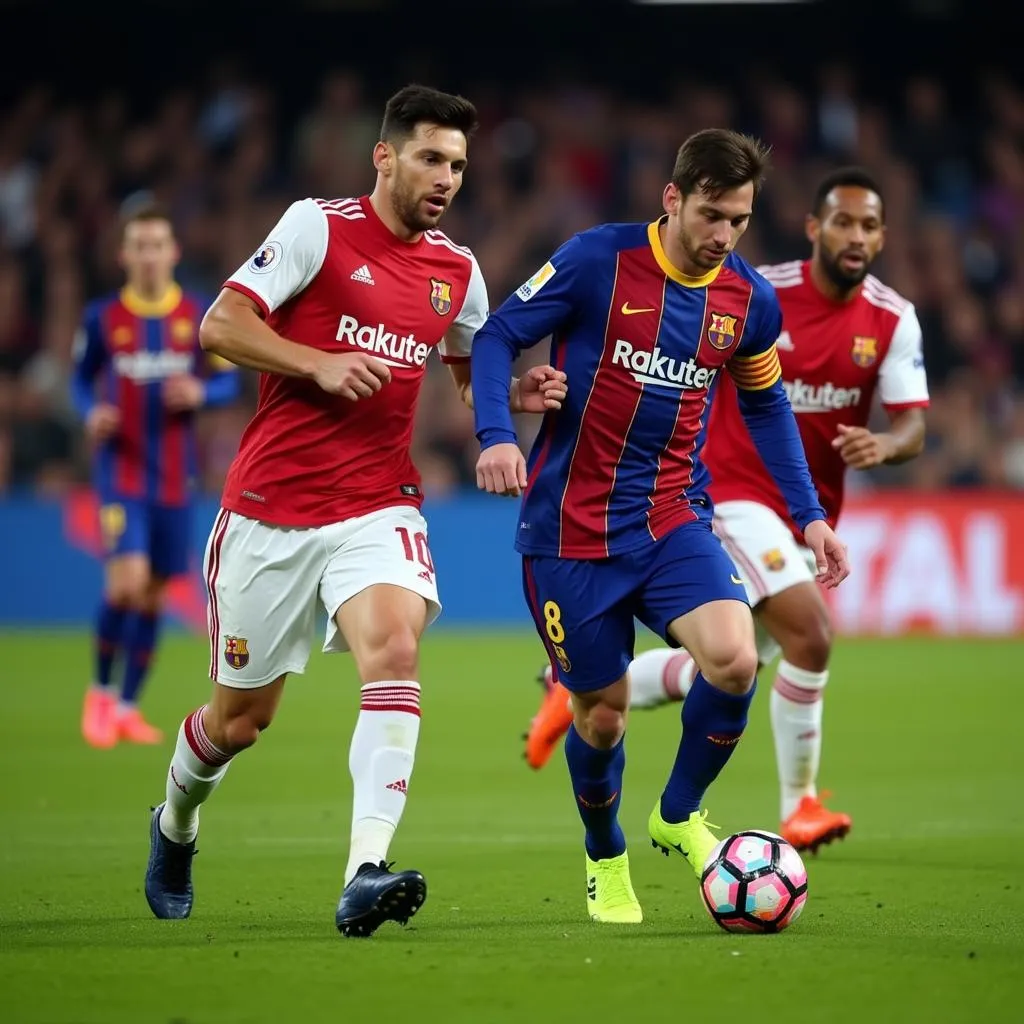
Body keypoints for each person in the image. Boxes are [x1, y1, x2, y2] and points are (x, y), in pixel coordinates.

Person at [142, 84, 566, 937]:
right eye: (430, 158)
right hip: (269, 512)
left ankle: (363, 870)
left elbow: (458, 369)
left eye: (457, 164)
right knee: (240, 722)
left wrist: (511, 396)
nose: (446, 177)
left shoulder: (458, 271)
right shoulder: (317, 227)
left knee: (395, 647)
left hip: (378, 503)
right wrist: (316, 363)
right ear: (385, 156)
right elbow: (221, 326)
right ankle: (175, 822)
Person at [471, 129, 849, 925]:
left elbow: (766, 404)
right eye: (711, 214)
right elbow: (500, 332)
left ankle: (676, 814)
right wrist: (497, 434)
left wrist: (809, 516)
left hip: (673, 516)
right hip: (568, 532)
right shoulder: (594, 261)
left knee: (736, 659)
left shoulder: (747, 301)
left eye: (739, 221)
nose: (723, 236)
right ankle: (604, 854)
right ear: (673, 198)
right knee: (601, 713)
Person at [524, 166, 928, 854]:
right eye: (842, 222)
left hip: (803, 506)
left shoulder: (892, 318)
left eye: (868, 226)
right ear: (814, 229)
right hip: (730, 498)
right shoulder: (752, 290)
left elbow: (914, 424)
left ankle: (575, 686)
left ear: (884, 236)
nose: (855, 236)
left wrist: (886, 447)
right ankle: (796, 805)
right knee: (811, 635)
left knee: (738, 664)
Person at [72, 198, 240, 749]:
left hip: (174, 477)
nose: (148, 255)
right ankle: (98, 695)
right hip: (120, 471)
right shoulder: (103, 318)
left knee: (152, 595)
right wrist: (89, 411)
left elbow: (227, 382)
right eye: (138, 246)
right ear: (124, 254)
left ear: (173, 252)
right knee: (125, 584)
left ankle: (126, 706)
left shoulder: (195, 316)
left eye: (157, 245)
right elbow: (81, 379)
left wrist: (200, 390)